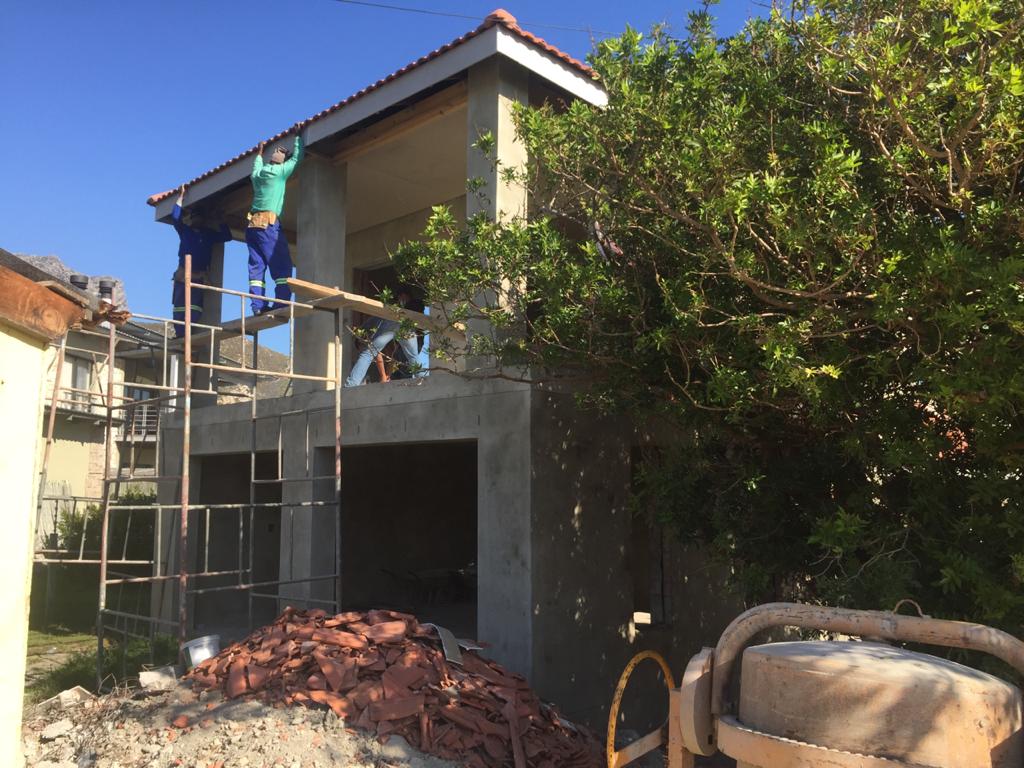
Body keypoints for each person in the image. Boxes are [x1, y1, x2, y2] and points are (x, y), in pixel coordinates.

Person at [247, 124, 305, 313]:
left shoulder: (258, 175)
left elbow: (255, 168)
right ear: (281, 163)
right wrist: (298, 137)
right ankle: (281, 303)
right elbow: (297, 159)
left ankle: (257, 306)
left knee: (257, 266)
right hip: (268, 224)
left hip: (252, 225)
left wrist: (259, 153)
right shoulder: (279, 173)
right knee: (281, 263)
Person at [170, 185, 232, 337]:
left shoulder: (208, 234)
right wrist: (180, 198)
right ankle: (180, 334)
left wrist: (221, 219)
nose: (197, 219)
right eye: (194, 217)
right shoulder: (186, 231)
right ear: (191, 219)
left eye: (199, 217)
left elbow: (227, 236)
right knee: (180, 306)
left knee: (195, 307)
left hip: (199, 276)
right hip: (183, 274)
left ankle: (188, 333)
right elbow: (175, 217)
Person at [345, 288, 424, 387]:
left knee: (367, 353)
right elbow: (390, 357)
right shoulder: (374, 326)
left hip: (394, 321)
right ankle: (423, 383)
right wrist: (385, 375)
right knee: (413, 356)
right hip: (406, 324)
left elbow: (377, 354)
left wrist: (383, 376)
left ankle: (351, 384)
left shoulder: (369, 328)